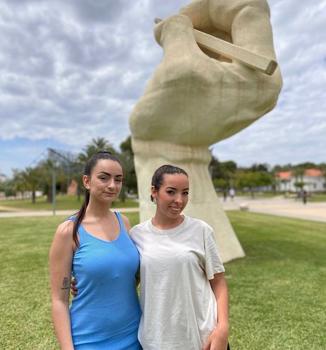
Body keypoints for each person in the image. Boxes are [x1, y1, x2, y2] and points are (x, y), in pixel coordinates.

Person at [49, 151, 142, 350]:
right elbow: (59, 301)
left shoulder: (124, 222)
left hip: (134, 334)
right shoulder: (69, 231)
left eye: (118, 179)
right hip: (89, 340)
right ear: (87, 181)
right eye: (103, 177)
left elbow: (131, 276)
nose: (112, 185)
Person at [130, 165, 229, 350]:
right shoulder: (136, 235)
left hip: (202, 338)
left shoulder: (201, 230)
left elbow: (219, 282)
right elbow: (127, 284)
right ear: (154, 191)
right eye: (171, 192)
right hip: (155, 340)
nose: (179, 200)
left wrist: (222, 328)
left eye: (185, 193)